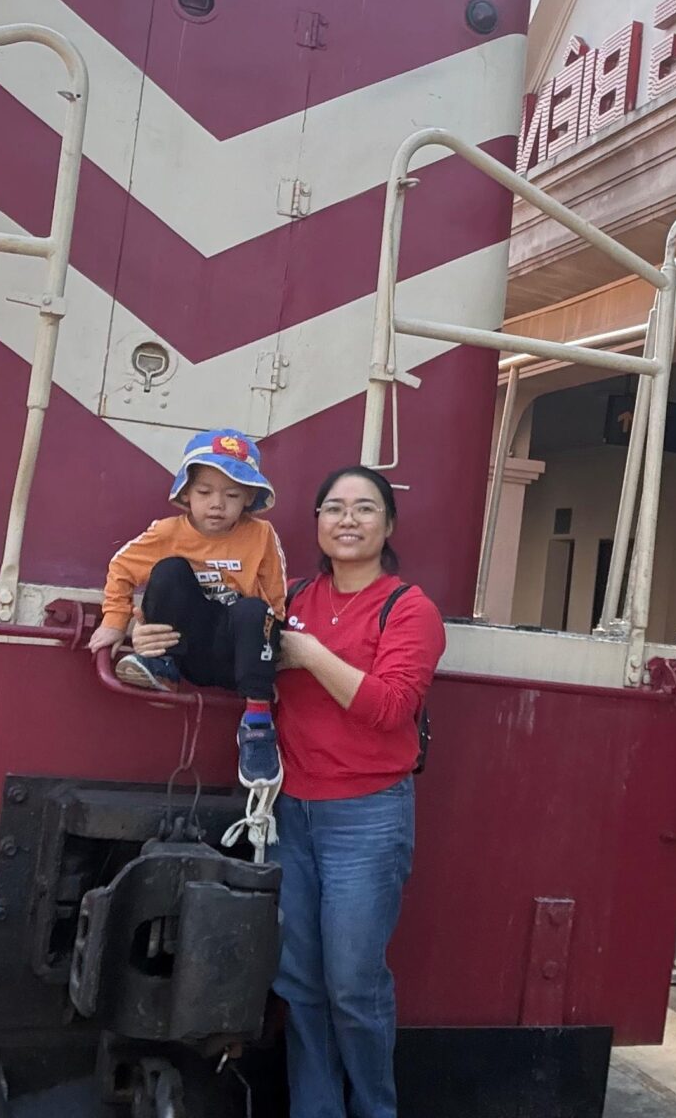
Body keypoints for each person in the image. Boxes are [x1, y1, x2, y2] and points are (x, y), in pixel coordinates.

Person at [270, 465, 445, 1118]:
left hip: (367, 819)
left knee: (352, 986)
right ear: (316, 522)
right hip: (290, 812)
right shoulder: (287, 597)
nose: (348, 519)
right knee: (300, 985)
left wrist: (309, 655)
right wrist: (148, 632)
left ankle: (374, 1109)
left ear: (388, 525)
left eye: (365, 508)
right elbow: (228, 659)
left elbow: (391, 707)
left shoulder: (409, 608)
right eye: (334, 507)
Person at [90, 427, 287, 789]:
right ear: (186, 493)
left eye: (232, 494)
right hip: (187, 647)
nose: (217, 504)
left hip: (234, 652)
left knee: (257, 610)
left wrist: (269, 653)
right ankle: (161, 666)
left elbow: (276, 599)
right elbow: (121, 568)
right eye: (204, 492)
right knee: (169, 570)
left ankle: (257, 724)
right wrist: (116, 621)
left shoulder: (261, 536)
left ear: (248, 499)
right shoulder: (166, 532)